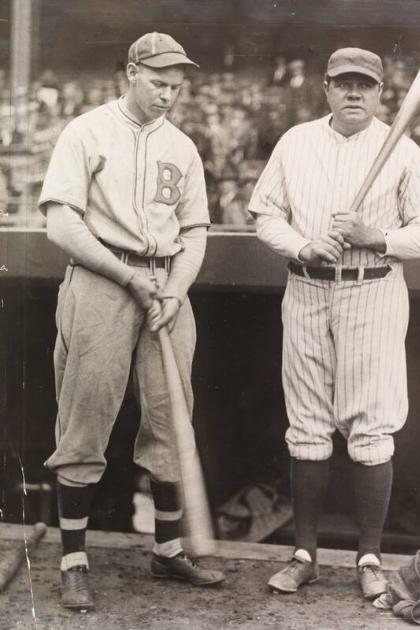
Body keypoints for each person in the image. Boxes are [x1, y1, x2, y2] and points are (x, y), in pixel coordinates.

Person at [249, 47, 420, 599]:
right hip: (307, 286)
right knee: (307, 425)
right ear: (327, 89)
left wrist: (375, 237)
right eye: (343, 84)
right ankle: (305, 555)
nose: (354, 93)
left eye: (365, 84)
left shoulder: (402, 148)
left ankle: (369, 558)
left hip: (373, 289)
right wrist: (303, 244)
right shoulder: (295, 142)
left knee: (370, 428)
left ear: (381, 93)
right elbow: (264, 212)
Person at [38, 32, 225, 611]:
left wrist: (176, 287)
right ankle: (73, 561)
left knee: (172, 416)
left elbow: (195, 231)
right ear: (131, 73)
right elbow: (61, 225)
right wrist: (126, 278)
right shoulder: (86, 131)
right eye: (159, 82)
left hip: (166, 286)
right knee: (86, 414)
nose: (169, 94)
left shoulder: (184, 146)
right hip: (101, 279)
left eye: (176, 85)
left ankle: (167, 549)